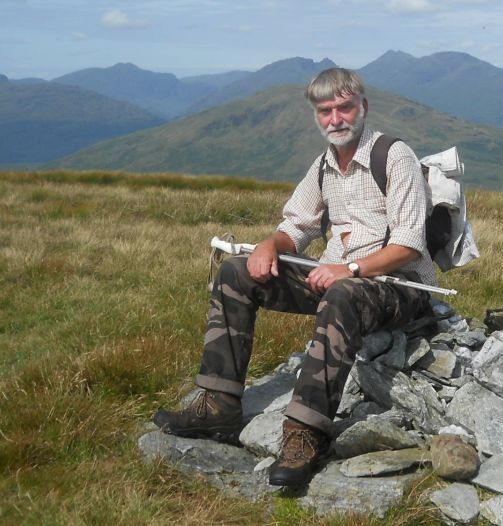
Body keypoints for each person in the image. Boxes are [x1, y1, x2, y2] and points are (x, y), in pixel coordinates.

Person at [153, 68, 436, 487]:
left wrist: (350, 269)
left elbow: (409, 245)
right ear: (316, 116)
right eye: (326, 111)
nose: (336, 118)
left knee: (343, 293)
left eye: (345, 107)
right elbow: (297, 227)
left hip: (400, 286)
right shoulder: (323, 165)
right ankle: (218, 404)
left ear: (363, 108)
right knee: (235, 272)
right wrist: (270, 246)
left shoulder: (394, 156)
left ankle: (305, 432)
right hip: (337, 278)